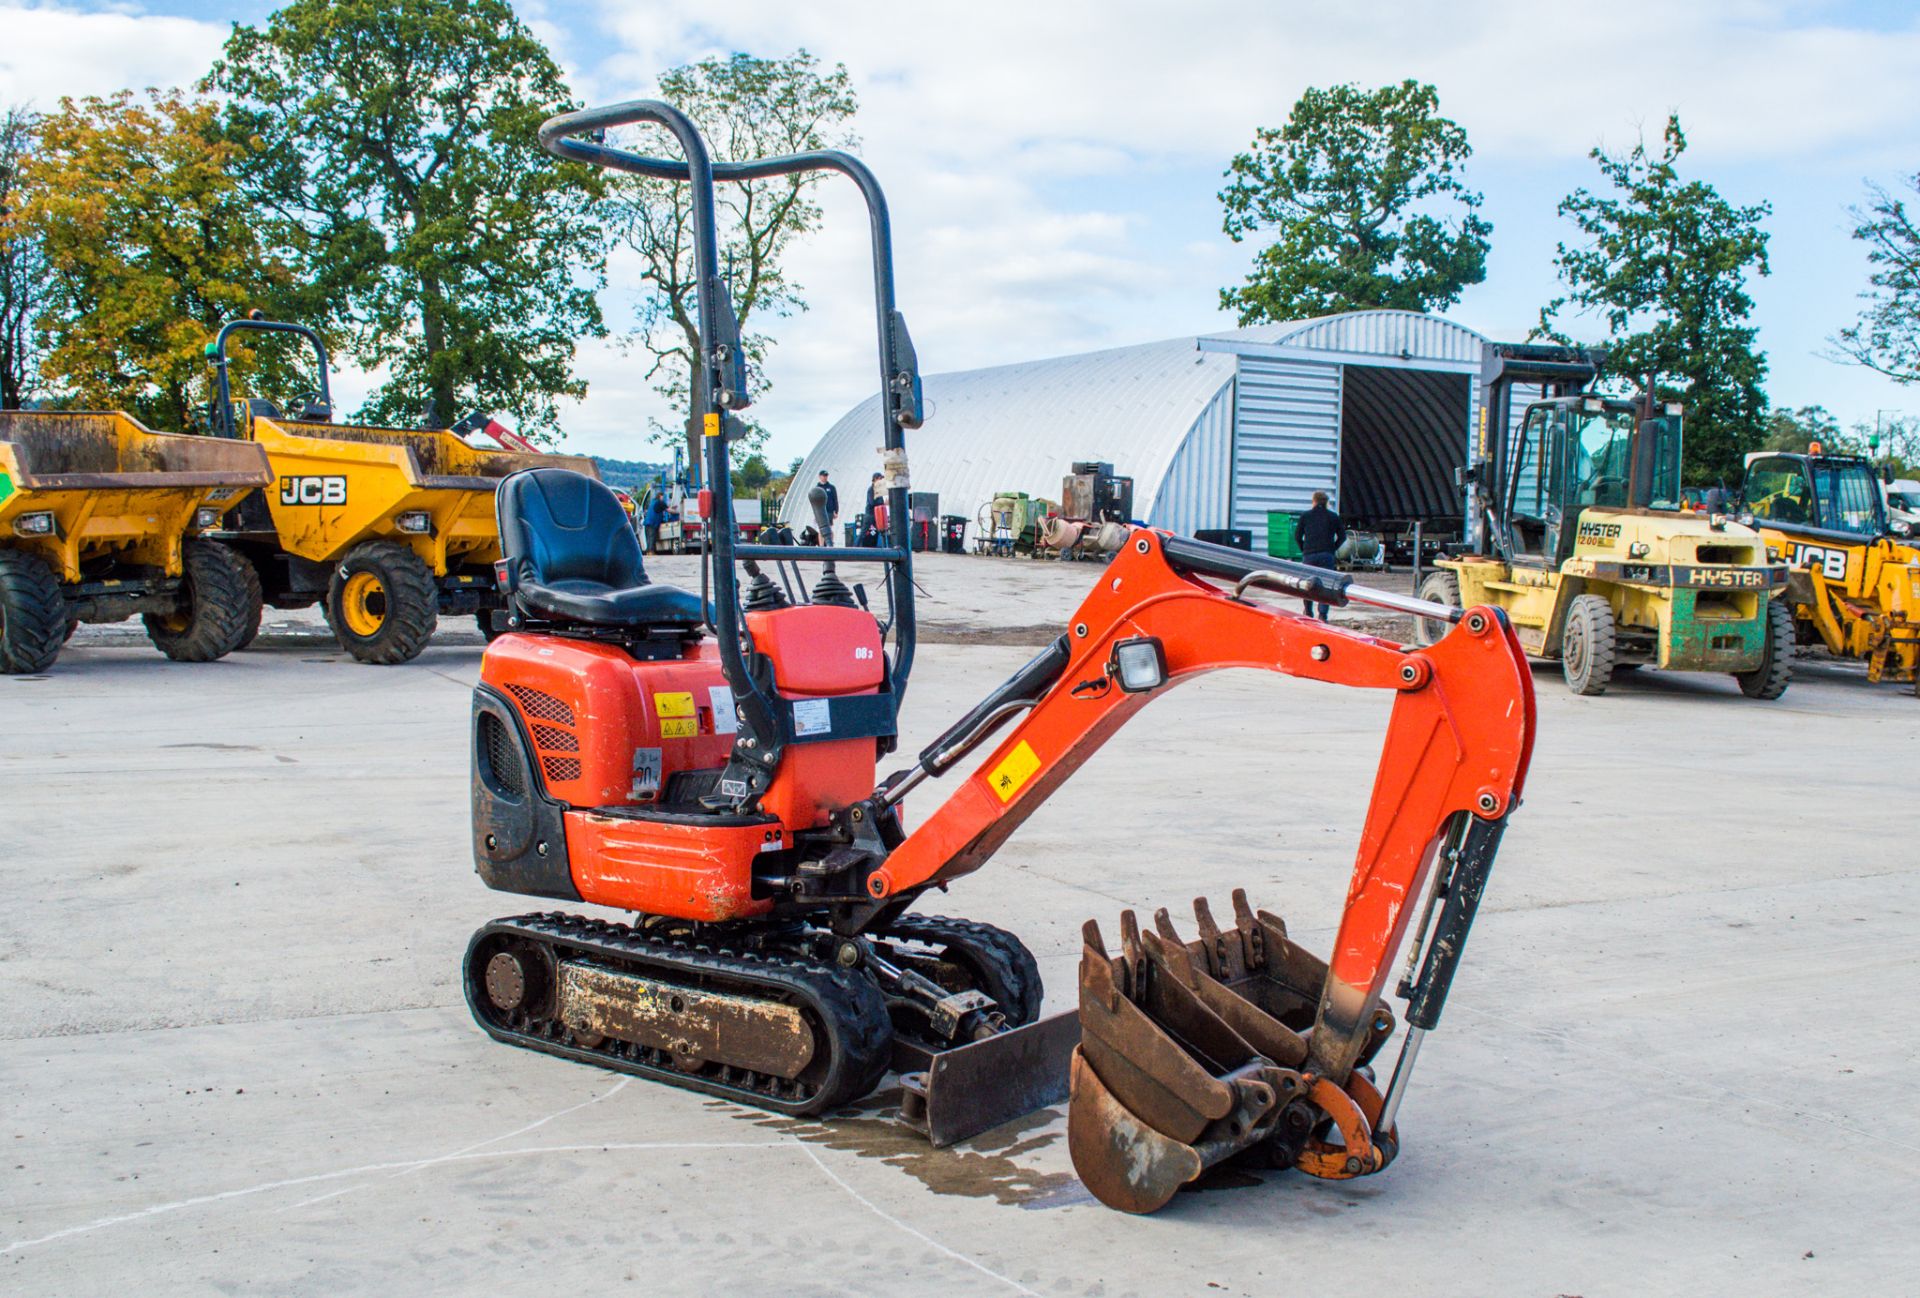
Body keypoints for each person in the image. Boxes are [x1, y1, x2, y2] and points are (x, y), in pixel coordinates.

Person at [1292, 490, 1346, 622]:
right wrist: (1332, 549)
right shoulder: (1333, 516)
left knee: (1307, 583)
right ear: (1326, 502)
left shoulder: (1306, 516)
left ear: (1314, 501)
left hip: (1309, 554)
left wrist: (1304, 548)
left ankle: (1308, 611)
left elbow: (1297, 536)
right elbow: (1342, 537)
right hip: (1326, 554)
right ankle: (1322, 615)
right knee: (1326, 585)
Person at [642, 481, 668, 554]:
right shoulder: (660, 502)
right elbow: (668, 510)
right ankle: (650, 551)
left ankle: (648, 551)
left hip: (648, 522)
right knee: (652, 537)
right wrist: (677, 511)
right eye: (663, 496)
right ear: (660, 496)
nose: (663, 498)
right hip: (652, 523)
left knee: (649, 537)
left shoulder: (653, 501)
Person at [815, 470, 840, 541]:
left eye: (826, 476)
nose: (825, 477)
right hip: (820, 512)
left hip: (829, 511)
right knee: (821, 530)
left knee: (829, 529)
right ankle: (821, 546)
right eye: (823, 476)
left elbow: (835, 499)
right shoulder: (817, 488)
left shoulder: (831, 487)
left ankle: (831, 544)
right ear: (820, 477)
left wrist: (836, 511)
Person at [863, 471, 885, 544]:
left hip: (876, 514)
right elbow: (872, 502)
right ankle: (856, 546)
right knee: (864, 532)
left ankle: (874, 545)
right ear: (875, 479)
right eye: (880, 479)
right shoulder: (871, 489)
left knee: (875, 531)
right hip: (870, 514)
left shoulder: (878, 490)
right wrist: (882, 503)